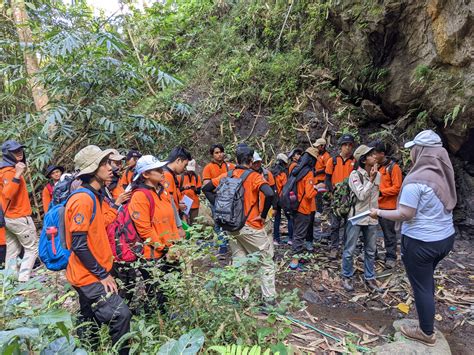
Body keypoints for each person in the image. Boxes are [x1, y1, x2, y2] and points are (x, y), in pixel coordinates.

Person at [370, 130, 456, 346]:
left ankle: (426, 333)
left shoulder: (415, 181)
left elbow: (405, 214)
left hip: (421, 243)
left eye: (413, 149)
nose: (411, 154)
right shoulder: (444, 174)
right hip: (445, 239)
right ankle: (426, 320)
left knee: (422, 287)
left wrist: (378, 212)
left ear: (421, 152)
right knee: (426, 282)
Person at [64, 145, 131, 354]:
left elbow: (103, 223)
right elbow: (79, 243)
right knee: (121, 314)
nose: (110, 168)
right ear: (93, 170)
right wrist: (102, 275)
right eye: (104, 164)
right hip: (88, 275)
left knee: (88, 316)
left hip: (93, 270)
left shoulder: (95, 195)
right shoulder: (83, 199)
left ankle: (88, 349)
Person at [203, 144, 276, 303]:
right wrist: (263, 216)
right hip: (251, 225)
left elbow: (206, 188)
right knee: (266, 261)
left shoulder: (228, 175)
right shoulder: (255, 176)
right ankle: (269, 301)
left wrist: (220, 207)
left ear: (236, 159)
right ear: (250, 161)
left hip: (231, 225)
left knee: (239, 261)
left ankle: (240, 297)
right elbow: (270, 193)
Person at [128, 155, 183, 314]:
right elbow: (145, 230)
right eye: (157, 170)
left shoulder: (162, 191)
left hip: (170, 249)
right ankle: (159, 320)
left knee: (173, 286)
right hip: (153, 254)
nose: (162, 172)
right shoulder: (139, 196)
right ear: (145, 174)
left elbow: (171, 219)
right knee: (158, 291)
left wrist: (175, 243)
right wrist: (165, 247)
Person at [341, 145, 381, 292]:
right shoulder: (354, 176)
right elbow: (362, 195)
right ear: (364, 159)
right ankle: (346, 276)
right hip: (357, 217)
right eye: (371, 155)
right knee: (350, 249)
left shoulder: (379, 175)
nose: (375, 156)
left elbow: (377, 197)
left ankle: (370, 278)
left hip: (372, 218)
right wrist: (370, 180)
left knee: (371, 250)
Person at [0, 140, 38, 282]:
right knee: (32, 248)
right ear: (7, 154)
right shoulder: (9, 172)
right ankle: (23, 280)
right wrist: (17, 174)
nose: (19, 152)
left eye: (20, 149)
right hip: (18, 217)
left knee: (12, 250)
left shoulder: (4, 169)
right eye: (15, 151)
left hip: (8, 217)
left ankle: (9, 282)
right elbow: (8, 194)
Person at [368, 140, 403, 269]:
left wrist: (381, 192)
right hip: (375, 206)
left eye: (375, 154)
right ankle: (374, 254)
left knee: (389, 234)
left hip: (388, 207)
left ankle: (391, 257)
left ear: (382, 154)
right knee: (371, 232)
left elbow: (397, 187)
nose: (373, 156)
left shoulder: (393, 167)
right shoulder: (377, 167)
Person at [325, 134, 355, 259]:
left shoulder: (355, 161)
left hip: (350, 197)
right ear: (341, 146)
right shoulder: (333, 161)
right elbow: (327, 178)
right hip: (336, 197)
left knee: (349, 224)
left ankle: (346, 247)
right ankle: (334, 247)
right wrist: (331, 193)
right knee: (335, 225)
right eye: (345, 145)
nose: (347, 148)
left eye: (350, 145)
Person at [289, 147, 319, 270]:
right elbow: (309, 194)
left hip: (295, 206)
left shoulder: (297, 170)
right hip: (304, 209)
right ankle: (294, 263)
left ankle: (298, 256)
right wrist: (317, 188)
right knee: (300, 235)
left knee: (297, 233)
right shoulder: (309, 173)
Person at [270, 153, 293, 245]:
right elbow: (286, 186)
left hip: (275, 199)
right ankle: (290, 239)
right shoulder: (283, 173)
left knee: (277, 219)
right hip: (283, 198)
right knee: (290, 218)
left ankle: (276, 239)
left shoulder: (272, 172)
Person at [163, 146, 192, 215]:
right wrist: (178, 206)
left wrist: (178, 202)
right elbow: (167, 200)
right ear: (178, 160)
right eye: (185, 165)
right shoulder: (167, 175)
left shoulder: (172, 174)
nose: (185, 169)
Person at [178, 159, 202, 225]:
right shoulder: (180, 177)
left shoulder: (197, 177)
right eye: (189, 170)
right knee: (184, 223)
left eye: (191, 170)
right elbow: (177, 190)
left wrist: (195, 189)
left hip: (194, 203)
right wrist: (183, 188)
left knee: (194, 223)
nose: (190, 171)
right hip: (184, 203)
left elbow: (199, 191)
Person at [314, 138, 330, 214]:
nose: (317, 148)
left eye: (318, 146)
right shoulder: (318, 155)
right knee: (316, 196)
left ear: (322, 146)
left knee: (320, 196)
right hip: (316, 179)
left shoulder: (327, 156)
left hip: (322, 179)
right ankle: (318, 210)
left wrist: (317, 172)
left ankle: (320, 211)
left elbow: (327, 169)